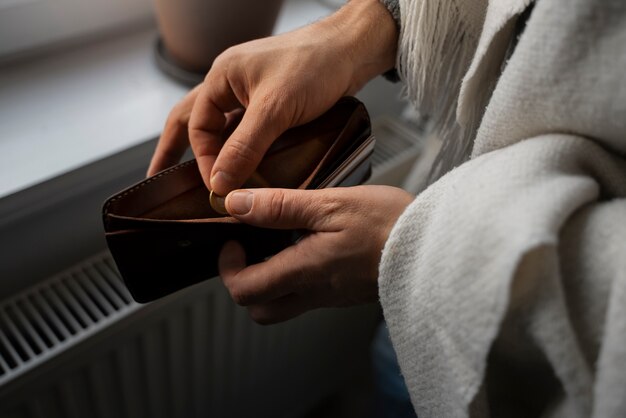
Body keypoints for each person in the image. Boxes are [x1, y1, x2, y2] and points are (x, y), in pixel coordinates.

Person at [148, 0, 626, 416]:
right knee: (393, 368)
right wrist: (359, 29)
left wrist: (416, 249)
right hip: (450, 247)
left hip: (531, 344)